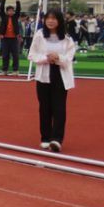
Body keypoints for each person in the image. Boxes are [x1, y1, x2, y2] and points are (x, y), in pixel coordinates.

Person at [28, 8, 76, 153]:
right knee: (44, 107)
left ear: (60, 21)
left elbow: (69, 58)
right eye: (47, 18)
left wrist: (58, 58)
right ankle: (45, 138)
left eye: (53, 18)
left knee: (59, 108)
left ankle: (57, 139)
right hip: (43, 75)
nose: (50, 21)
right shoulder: (39, 35)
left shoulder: (66, 38)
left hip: (60, 75)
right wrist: (46, 58)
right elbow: (32, 55)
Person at [0, 0, 22, 76]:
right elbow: (1, 8)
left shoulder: (15, 17)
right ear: (7, 12)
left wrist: (17, 0)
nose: (11, 12)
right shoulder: (4, 16)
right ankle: (4, 70)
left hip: (14, 38)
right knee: (5, 55)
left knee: (15, 55)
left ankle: (15, 70)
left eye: (12, 11)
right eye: (9, 11)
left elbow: (19, 9)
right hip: (5, 38)